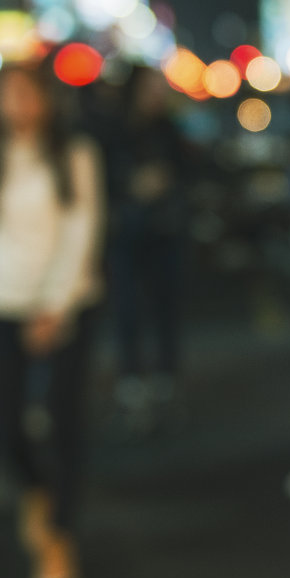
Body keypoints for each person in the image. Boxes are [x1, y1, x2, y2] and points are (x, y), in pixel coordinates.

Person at [0, 60, 103, 578]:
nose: (17, 104)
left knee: (62, 417)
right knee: (0, 416)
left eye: (27, 93)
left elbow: (82, 227)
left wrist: (55, 303)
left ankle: (59, 533)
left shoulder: (74, 153)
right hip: (0, 301)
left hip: (67, 302)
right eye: (8, 94)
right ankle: (35, 491)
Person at [102, 65, 189, 432]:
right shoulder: (113, 131)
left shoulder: (169, 129)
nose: (158, 95)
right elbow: (102, 178)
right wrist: (131, 184)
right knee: (128, 308)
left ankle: (165, 376)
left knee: (166, 305)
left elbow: (188, 169)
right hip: (126, 233)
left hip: (164, 230)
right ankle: (132, 379)